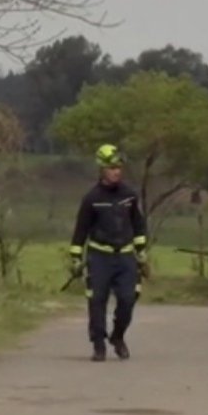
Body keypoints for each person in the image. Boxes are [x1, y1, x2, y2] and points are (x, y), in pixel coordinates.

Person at [68, 144, 148, 362]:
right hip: (99, 257)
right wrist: (75, 258)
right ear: (102, 169)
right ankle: (98, 344)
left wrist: (141, 252)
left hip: (125, 256)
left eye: (119, 167)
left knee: (128, 299)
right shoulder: (91, 198)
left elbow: (139, 227)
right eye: (112, 168)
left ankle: (118, 336)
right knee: (97, 301)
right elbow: (80, 231)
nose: (117, 171)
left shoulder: (129, 196)